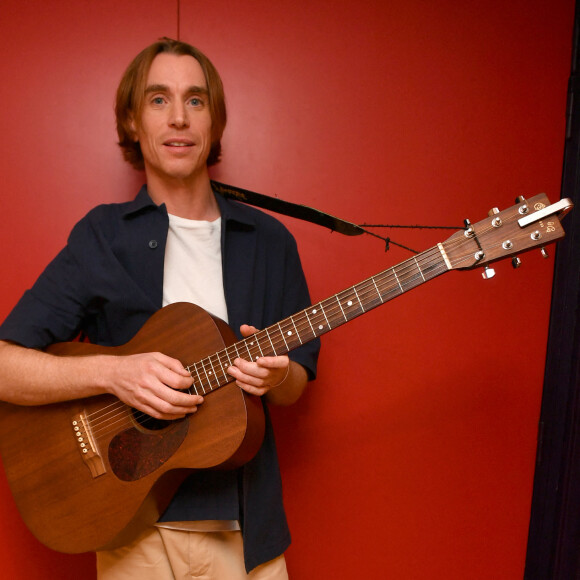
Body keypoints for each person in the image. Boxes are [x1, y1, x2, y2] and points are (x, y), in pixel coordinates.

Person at [0, 38, 319, 579]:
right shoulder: (101, 237)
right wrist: (114, 373)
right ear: (131, 121)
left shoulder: (271, 242)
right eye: (158, 100)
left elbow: (298, 382)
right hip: (134, 538)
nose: (178, 118)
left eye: (196, 101)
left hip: (246, 533)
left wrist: (278, 375)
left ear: (215, 123)